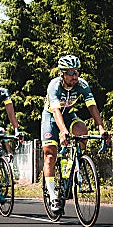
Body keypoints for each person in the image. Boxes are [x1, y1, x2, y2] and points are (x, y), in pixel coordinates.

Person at [41, 54, 109, 212]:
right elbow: (56, 110)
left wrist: (101, 127)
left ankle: (73, 163)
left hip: (69, 114)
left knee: (82, 131)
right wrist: (63, 131)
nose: (75, 76)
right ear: (62, 73)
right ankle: (53, 197)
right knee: (50, 155)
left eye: (77, 72)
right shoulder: (54, 86)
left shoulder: (82, 84)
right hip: (51, 117)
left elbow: (92, 106)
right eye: (71, 72)